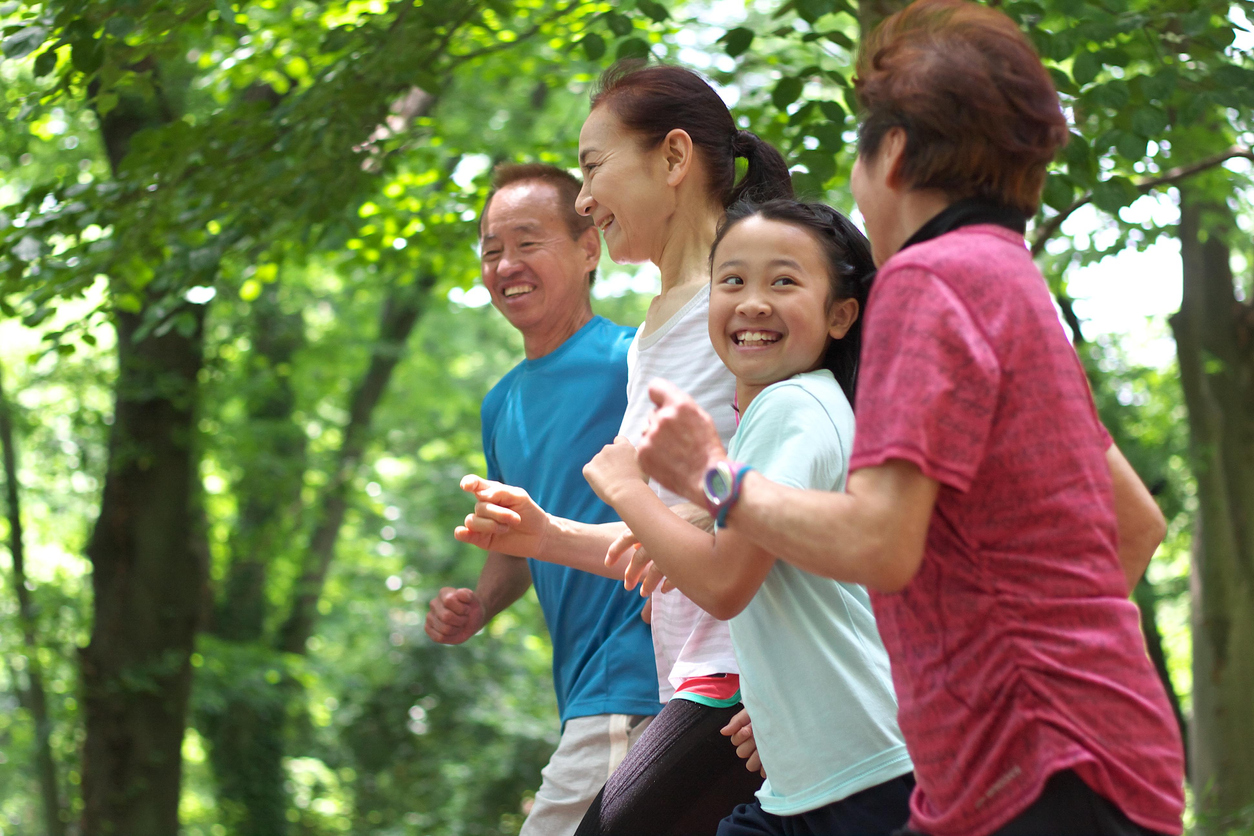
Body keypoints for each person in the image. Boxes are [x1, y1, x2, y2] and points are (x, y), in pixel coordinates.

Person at [631, 3, 1187, 836]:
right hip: (1087, 756)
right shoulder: (1010, 280)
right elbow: (1134, 525)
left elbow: (880, 543)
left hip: (1036, 771)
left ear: (890, 153)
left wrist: (711, 477)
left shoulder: (926, 283)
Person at [455, 63, 794, 833]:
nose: (584, 198)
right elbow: (671, 532)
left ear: (674, 160)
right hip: (691, 675)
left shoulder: (743, 304)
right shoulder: (653, 334)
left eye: (594, 166)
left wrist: (794, 689)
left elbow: (824, 487)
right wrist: (544, 534)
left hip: (743, 679)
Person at [581, 198, 915, 836]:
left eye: (783, 281)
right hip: (813, 779)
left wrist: (630, 489)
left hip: (863, 778)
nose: (753, 301)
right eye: (731, 280)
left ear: (841, 314)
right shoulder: (808, 408)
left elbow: (722, 583)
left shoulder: (792, 404)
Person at [424, 163, 663, 836]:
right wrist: (476, 605)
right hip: (582, 688)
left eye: (527, 242)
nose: (506, 264)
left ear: (589, 248)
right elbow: (520, 546)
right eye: (492, 249)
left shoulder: (636, 359)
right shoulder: (501, 403)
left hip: (637, 675)